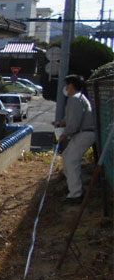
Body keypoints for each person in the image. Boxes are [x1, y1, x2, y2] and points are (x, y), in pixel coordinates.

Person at [56, 75, 96, 204]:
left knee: (71, 161)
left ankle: (76, 194)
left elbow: (74, 122)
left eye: (67, 85)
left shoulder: (74, 99)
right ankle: (74, 189)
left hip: (83, 134)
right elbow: (72, 118)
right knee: (67, 157)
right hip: (84, 133)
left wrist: (65, 134)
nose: (65, 88)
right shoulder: (79, 98)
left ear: (71, 85)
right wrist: (63, 122)